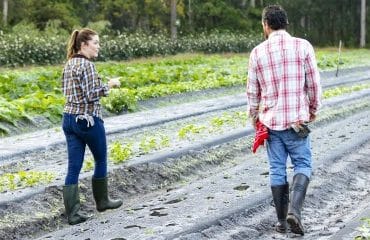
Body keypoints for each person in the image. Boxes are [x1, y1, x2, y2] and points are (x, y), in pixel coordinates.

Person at [246, 5, 322, 235]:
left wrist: (254, 117)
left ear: (266, 25)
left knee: (276, 169)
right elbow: (314, 85)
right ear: (286, 24)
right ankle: (294, 212)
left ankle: (281, 221)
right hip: (297, 121)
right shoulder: (303, 46)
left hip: (271, 122)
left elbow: (252, 93)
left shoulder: (257, 53)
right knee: (303, 165)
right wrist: (313, 109)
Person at [62, 28, 122, 225]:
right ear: (84, 45)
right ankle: (102, 202)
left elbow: (67, 92)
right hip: (87, 120)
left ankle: (73, 214)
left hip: (69, 119)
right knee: (101, 159)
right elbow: (91, 94)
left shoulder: (69, 63)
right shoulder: (87, 66)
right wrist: (109, 85)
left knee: (73, 167)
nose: (98, 46)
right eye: (95, 42)